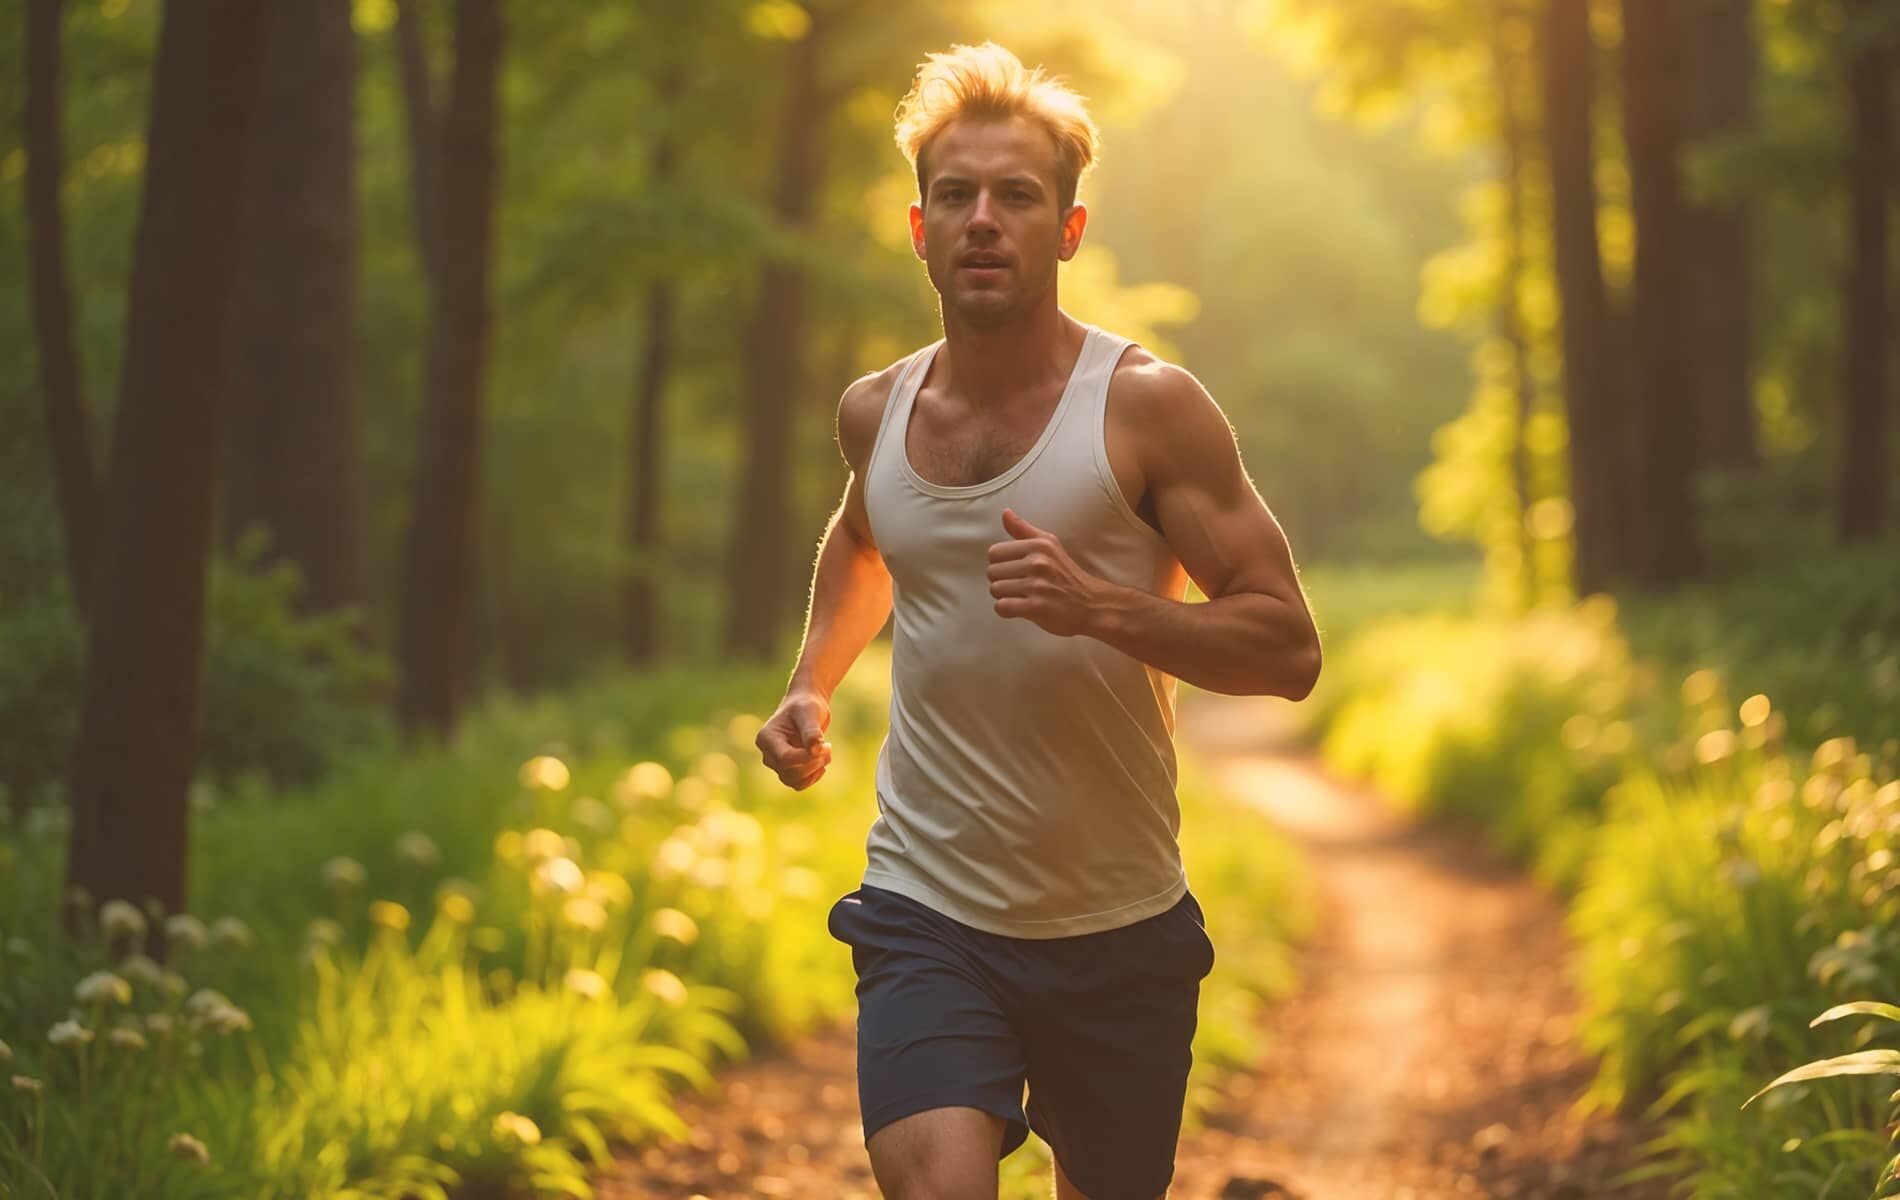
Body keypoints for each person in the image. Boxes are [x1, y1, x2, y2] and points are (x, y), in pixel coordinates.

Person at [753, 41, 1322, 1200]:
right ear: (918, 229)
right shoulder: (877, 413)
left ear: (1066, 230)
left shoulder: (1147, 410)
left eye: (1016, 196)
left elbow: (1287, 647)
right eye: (955, 195)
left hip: (1116, 922)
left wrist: (1104, 608)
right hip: (927, 909)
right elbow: (868, 541)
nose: (981, 220)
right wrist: (810, 682)